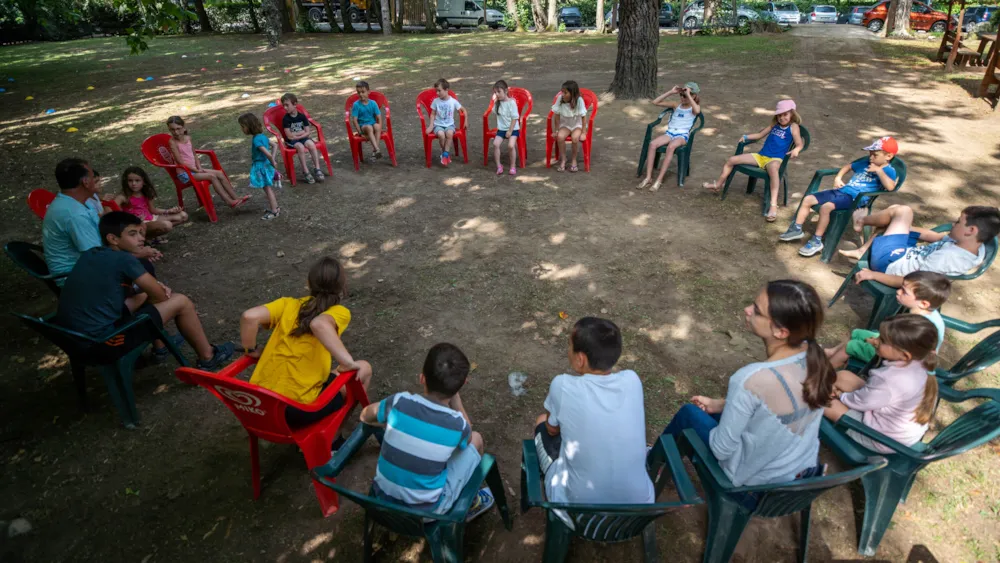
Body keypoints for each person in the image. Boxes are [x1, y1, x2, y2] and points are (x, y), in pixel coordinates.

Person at [661, 280, 834, 493]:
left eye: (757, 310)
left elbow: (721, 450)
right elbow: (774, 405)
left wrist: (726, 413)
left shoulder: (751, 379)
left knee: (689, 414)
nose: (747, 310)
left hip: (754, 484)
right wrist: (722, 405)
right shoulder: (815, 356)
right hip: (796, 471)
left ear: (781, 332)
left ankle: (654, 462)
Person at [55, 212, 234, 369]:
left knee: (142, 294)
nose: (141, 238)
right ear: (113, 239)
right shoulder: (124, 261)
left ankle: (160, 348)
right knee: (180, 301)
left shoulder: (92, 253)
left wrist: (148, 289)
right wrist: (157, 289)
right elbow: (161, 296)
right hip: (102, 344)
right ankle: (208, 357)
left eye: (141, 233)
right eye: (133, 234)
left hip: (73, 341)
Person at [532, 317, 654, 515]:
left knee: (541, 421)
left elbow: (552, 429)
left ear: (581, 359)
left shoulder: (562, 385)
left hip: (578, 510)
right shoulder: (632, 380)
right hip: (638, 507)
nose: (567, 350)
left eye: (569, 346)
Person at [359, 343, 495, 520]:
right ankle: (471, 503)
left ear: (422, 378)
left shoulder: (399, 402)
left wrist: (388, 422)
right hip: (426, 513)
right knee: (477, 439)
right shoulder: (457, 424)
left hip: (382, 500)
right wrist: (457, 401)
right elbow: (468, 438)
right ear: (462, 385)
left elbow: (365, 416)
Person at [240, 257, 372, 434]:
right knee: (363, 368)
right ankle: (333, 439)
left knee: (328, 375)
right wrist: (347, 362)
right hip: (296, 412)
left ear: (308, 283)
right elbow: (318, 324)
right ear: (342, 286)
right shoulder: (339, 312)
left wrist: (252, 350)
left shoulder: (287, 304)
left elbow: (249, 317)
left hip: (258, 405)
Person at [824, 314, 939, 454]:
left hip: (881, 438)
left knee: (822, 401)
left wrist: (841, 396)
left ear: (905, 355)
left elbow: (863, 401)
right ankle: (821, 383)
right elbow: (874, 396)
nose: (874, 340)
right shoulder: (921, 362)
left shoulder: (889, 379)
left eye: (882, 340)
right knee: (843, 376)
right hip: (896, 427)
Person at [42, 158, 160, 284]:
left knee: (141, 264)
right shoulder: (75, 215)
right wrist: (135, 254)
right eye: (93, 177)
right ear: (85, 182)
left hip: (87, 264)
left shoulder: (79, 201)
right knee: (139, 266)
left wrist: (133, 246)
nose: (97, 181)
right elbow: (97, 258)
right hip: (76, 278)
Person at [780, 136, 899, 257]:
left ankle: (816, 240)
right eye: (870, 153)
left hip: (855, 198)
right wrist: (838, 177)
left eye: (875, 155)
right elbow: (848, 166)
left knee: (825, 208)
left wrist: (879, 171)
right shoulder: (866, 163)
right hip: (842, 191)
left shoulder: (888, 170)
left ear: (888, 156)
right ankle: (796, 229)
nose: (871, 157)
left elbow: (890, 187)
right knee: (808, 199)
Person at [844, 204, 1000, 288]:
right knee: (897, 212)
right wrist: (905, 228)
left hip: (890, 264)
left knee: (903, 211)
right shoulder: (972, 245)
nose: (954, 224)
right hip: (907, 254)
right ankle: (863, 249)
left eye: (959, 221)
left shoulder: (948, 258)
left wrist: (873, 275)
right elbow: (934, 236)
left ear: (971, 231)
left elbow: (912, 281)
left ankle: (861, 221)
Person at [703, 99, 804, 222]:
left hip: (775, 159)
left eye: (785, 115)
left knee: (773, 170)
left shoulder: (793, 127)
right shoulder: (774, 125)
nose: (782, 118)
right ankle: (718, 184)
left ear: (792, 114)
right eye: (779, 115)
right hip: (761, 156)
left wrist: (796, 150)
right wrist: (746, 137)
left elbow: (799, 143)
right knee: (732, 160)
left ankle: (773, 205)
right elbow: (759, 135)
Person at [826, 271, 950, 368]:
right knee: (858, 333)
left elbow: (900, 350)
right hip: (895, 344)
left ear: (923, 303)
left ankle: (825, 372)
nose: (898, 292)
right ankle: (832, 352)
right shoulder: (922, 313)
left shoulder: (918, 324)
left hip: (900, 361)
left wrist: (876, 342)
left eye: (904, 292)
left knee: (851, 346)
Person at [166, 116, 249, 208]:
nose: (176, 132)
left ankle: (236, 198)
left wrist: (199, 167)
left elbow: (194, 154)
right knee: (212, 176)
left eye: (178, 128)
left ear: (184, 127)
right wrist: (196, 170)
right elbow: (180, 162)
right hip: (184, 173)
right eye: (172, 130)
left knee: (220, 173)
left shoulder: (188, 138)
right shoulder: (172, 142)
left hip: (194, 170)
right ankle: (229, 201)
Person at [636, 82, 702, 192]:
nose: (682, 97)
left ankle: (659, 180)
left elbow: (698, 111)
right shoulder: (676, 105)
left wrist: (689, 95)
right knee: (652, 144)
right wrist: (671, 92)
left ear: (694, 96)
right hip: (670, 133)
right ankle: (648, 177)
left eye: (685, 96)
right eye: (681, 95)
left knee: (671, 147)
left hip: (682, 135)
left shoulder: (693, 108)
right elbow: (655, 102)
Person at [115, 166, 189, 239]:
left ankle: (148, 236)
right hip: (137, 225)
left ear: (143, 181)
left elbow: (153, 210)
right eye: (130, 180)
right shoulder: (123, 196)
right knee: (167, 225)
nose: (134, 183)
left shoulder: (147, 192)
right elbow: (112, 212)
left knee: (183, 215)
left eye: (137, 180)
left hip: (151, 218)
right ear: (126, 181)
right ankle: (140, 237)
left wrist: (169, 211)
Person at [238, 112, 281, 220]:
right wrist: (272, 159)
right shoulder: (262, 136)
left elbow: (268, 153)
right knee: (267, 188)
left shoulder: (256, 140)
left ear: (249, 126)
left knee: (267, 189)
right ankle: (275, 207)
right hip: (265, 164)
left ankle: (274, 211)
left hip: (261, 166)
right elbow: (275, 145)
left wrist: (273, 161)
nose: (242, 129)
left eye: (243, 126)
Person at [280, 93, 326, 184]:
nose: (285, 107)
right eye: (283, 105)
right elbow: (289, 136)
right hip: (291, 141)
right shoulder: (286, 119)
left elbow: (308, 132)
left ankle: (317, 168)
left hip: (303, 138)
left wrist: (299, 135)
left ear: (295, 104)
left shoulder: (302, 116)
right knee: (300, 147)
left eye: (287, 105)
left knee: (311, 144)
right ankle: (305, 171)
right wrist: (301, 133)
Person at [424, 78, 466, 167]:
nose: (437, 93)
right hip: (438, 125)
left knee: (449, 133)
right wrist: (431, 126)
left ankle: (445, 154)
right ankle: (445, 153)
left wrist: (466, 120)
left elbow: (463, 110)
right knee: (441, 135)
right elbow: (432, 114)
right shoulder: (436, 101)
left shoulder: (453, 101)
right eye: (436, 91)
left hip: (449, 125)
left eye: (439, 91)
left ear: (446, 90)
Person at [550, 80, 588, 173]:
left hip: (577, 125)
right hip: (566, 124)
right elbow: (557, 116)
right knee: (560, 137)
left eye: (565, 92)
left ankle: (574, 159)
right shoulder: (560, 99)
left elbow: (583, 117)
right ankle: (563, 159)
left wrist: (583, 132)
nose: (562, 94)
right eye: (562, 91)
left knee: (575, 138)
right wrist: (556, 130)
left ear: (572, 93)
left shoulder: (579, 101)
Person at [490, 80, 522, 176]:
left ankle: (513, 166)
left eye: (499, 92)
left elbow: (515, 118)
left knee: (511, 146)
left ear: (506, 91)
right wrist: (495, 102)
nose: (497, 94)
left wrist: (510, 130)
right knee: (495, 144)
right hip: (501, 129)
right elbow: (493, 111)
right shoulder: (497, 103)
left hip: (513, 129)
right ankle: (499, 166)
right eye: (495, 92)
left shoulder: (512, 103)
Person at [349, 81, 384, 163]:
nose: (361, 94)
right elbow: (354, 120)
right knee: (369, 127)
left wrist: (380, 128)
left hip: (372, 124)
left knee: (377, 126)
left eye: (363, 92)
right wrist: (360, 132)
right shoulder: (356, 105)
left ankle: (374, 152)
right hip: (364, 126)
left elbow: (379, 117)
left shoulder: (373, 103)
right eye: (358, 92)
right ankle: (377, 149)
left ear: (368, 92)